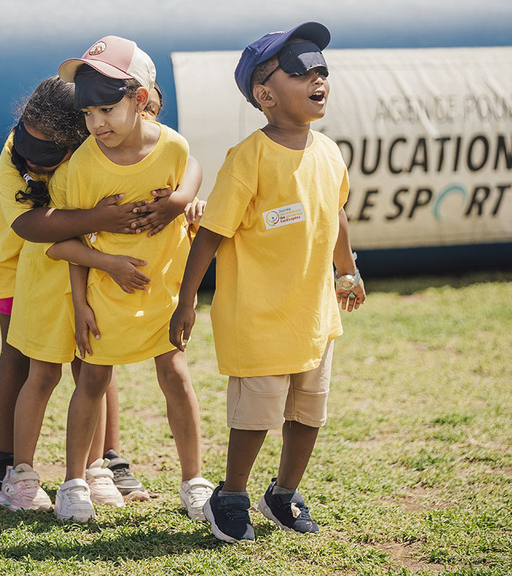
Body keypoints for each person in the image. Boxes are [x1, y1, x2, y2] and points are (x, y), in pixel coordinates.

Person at [168, 22, 366, 543]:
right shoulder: (248, 158)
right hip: (257, 318)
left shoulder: (328, 152)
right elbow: (210, 235)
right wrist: (186, 302)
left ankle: (282, 494)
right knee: (256, 417)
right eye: (303, 69)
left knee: (307, 413)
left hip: (314, 317)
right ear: (266, 94)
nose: (319, 77)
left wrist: (347, 270)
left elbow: (337, 213)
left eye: (323, 68)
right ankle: (229, 495)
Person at [45, 35, 213, 522]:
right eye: (87, 114)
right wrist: (80, 303)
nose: (95, 124)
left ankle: (194, 483)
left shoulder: (174, 148)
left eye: (105, 110)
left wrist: (187, 298)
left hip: (164, 296)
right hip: (104, 299)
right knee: (93, 380)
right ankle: (74, 483)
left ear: (139, 100)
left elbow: (191, 187)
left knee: (176, 376)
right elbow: (71, 243)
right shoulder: (82, 165)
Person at [0, 76, 162, 509]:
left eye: (46, 148)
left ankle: (107, 461)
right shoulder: (14, 150)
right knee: (19, 355)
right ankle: (7, 462)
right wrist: (98, 217)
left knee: (95, 356)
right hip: (14, 261)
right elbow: (29, 225)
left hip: (84, 262)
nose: (29, 154)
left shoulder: (98, 144)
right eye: (25, 136)